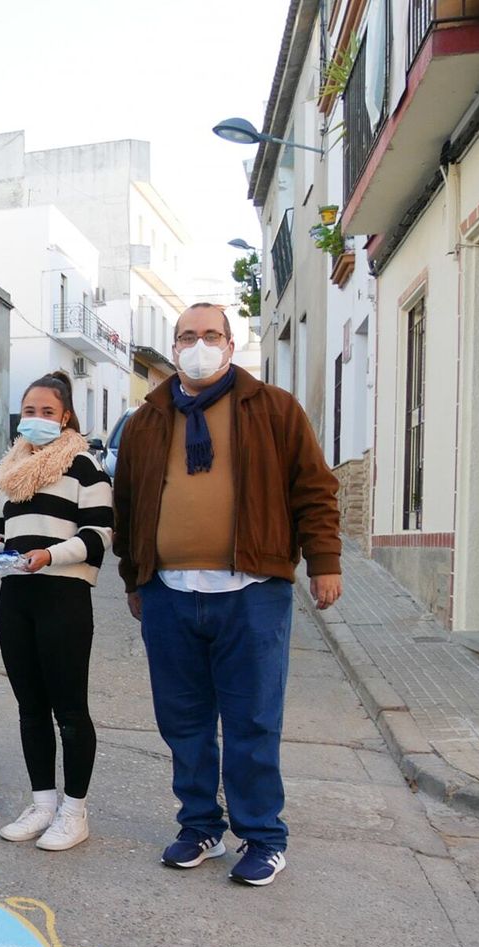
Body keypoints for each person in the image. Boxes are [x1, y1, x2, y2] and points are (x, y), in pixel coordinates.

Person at [114, 302, 341, 887]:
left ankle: (263, 836)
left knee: (253, 721)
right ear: (173, 346)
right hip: (169, 592)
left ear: (231, 344)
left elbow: (314, 489)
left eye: (210, 334)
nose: (198, 345)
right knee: (182, 721)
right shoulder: (147, 419)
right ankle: (199, 827)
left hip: (252, 592)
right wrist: (135, 578)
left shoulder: (273, 409)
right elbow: (128, 505)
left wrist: (324, 563)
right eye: (187, 336)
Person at [0, 371, 113, 851]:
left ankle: (74, 811)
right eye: (29, 412)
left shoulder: (85, 466)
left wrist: (49, 555)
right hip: (18, 596)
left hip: (63, 594)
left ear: (65, 417)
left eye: (47, 412)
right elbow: (2, 533)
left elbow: (99, 535)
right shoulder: (10, 473)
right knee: (29, 706)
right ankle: (42, 803)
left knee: (70, 708)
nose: (37, 420)